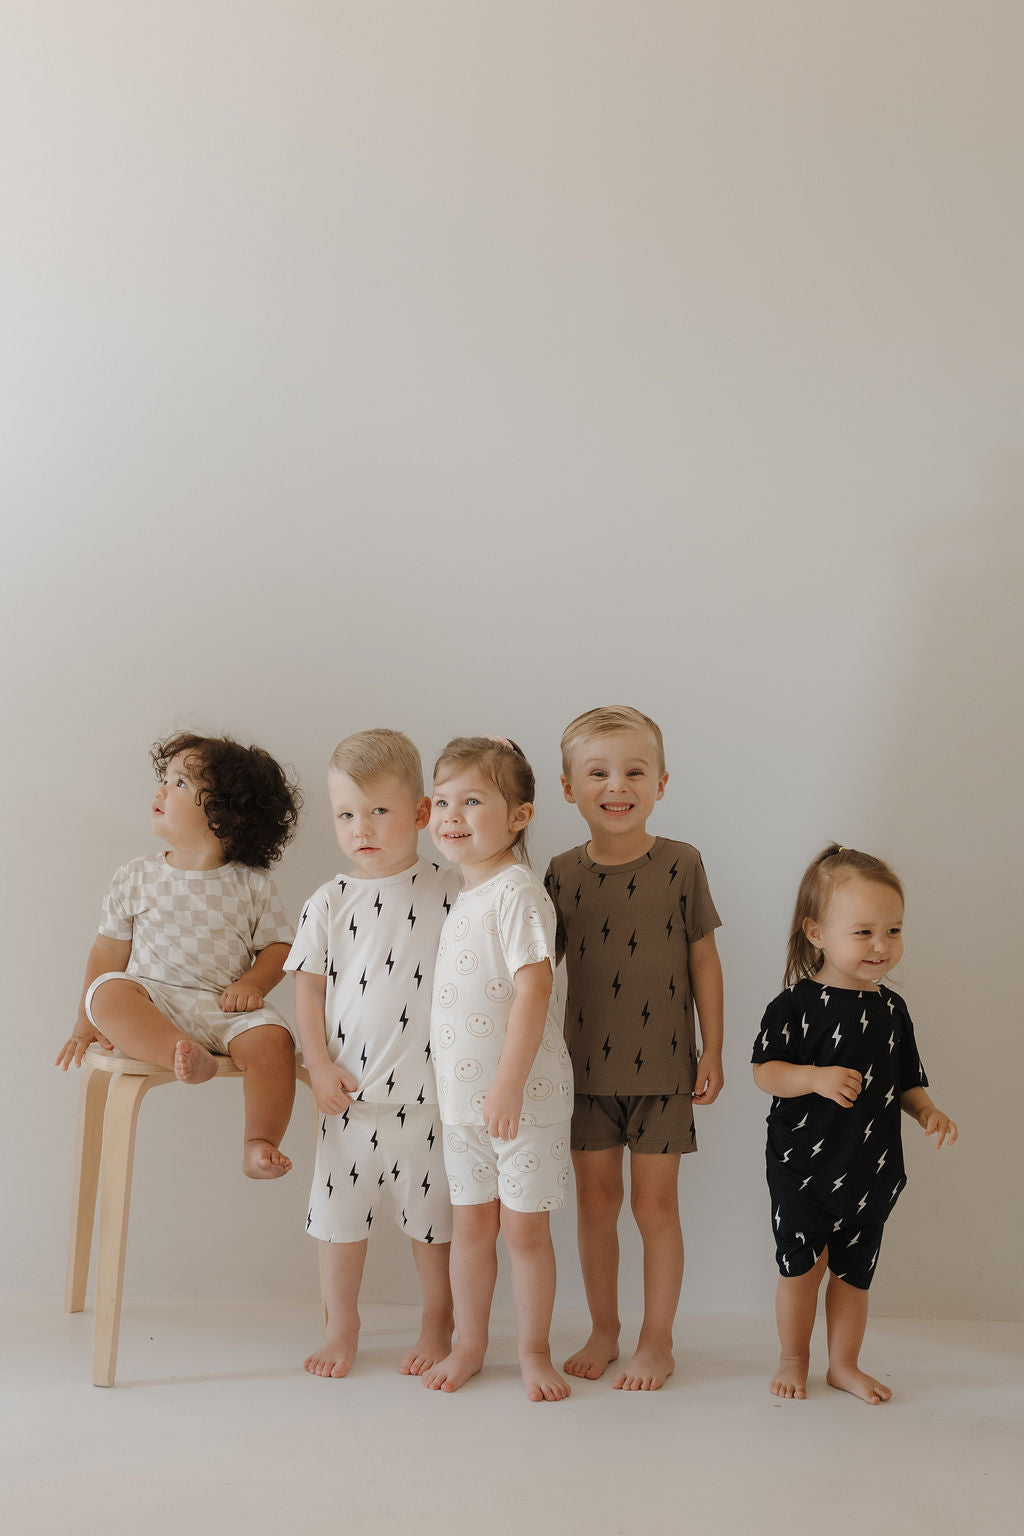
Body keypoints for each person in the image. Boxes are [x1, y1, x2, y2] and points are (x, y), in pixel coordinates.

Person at [544, 705, 724, 1390]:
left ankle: (657, 1339)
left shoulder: (682, 864)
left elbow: (704, 959)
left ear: (661, 783)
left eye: (634, 772)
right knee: (595, 1206)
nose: (616, 785)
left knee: (654, 1208)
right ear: (568, 788)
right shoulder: (560, 873)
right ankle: (604, 1329)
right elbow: (537, 972)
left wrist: (712, 1049)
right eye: (598, 773)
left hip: (666, 1070)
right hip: (584, 1071)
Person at [752, 843, 958, 1404]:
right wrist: (813, 1078)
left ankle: (844, 1365)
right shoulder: (794, 1006)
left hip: (870, 1168)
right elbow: (765, 1072)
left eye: (893, 931)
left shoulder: (892, 1010)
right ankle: (793, 1359)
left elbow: (906, 1079)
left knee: (853, 1273)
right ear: (816, 932)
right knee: (802, 1269)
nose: (881, 946)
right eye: (864, 932)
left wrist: (927, 1111)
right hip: (803, 1166)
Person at [286, 729, 459, 1379]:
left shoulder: (452, 890)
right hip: (349, 1101)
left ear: (421, 812)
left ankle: (437, 1322)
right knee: (339, 1225)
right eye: (346, 814)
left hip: (430, 1100)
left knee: (434, 1226)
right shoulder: (329, 901)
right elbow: (308, 990)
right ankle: (343, 1327)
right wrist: (318, 1065)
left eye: (378, 811)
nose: (361, 828)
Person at [57, 731, 301, 1179]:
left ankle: (259, 1140)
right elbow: (108, 949)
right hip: (154, 1002)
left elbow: (279, 947)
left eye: (181, 784)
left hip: (224, 1007)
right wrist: (84, 1019)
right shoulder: (136, 876)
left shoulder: (252, 883)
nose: (161, 790)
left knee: (275, 1041)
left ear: (225, 815)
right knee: (107, 994)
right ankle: (181, 1053)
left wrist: (253, 984)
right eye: (165, 779)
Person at [423, 737, 574, 1402]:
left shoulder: (517, 892)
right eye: (443, 802)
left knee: (524, 1231)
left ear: (519, 816)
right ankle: (469, 1346)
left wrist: (508, 1087)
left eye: (472, 801)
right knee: (471, 1229)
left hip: (524, 1102)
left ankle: (535, 1353)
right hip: (464, 1105)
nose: (452, 816)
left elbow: (534, 989)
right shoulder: (464, 896)